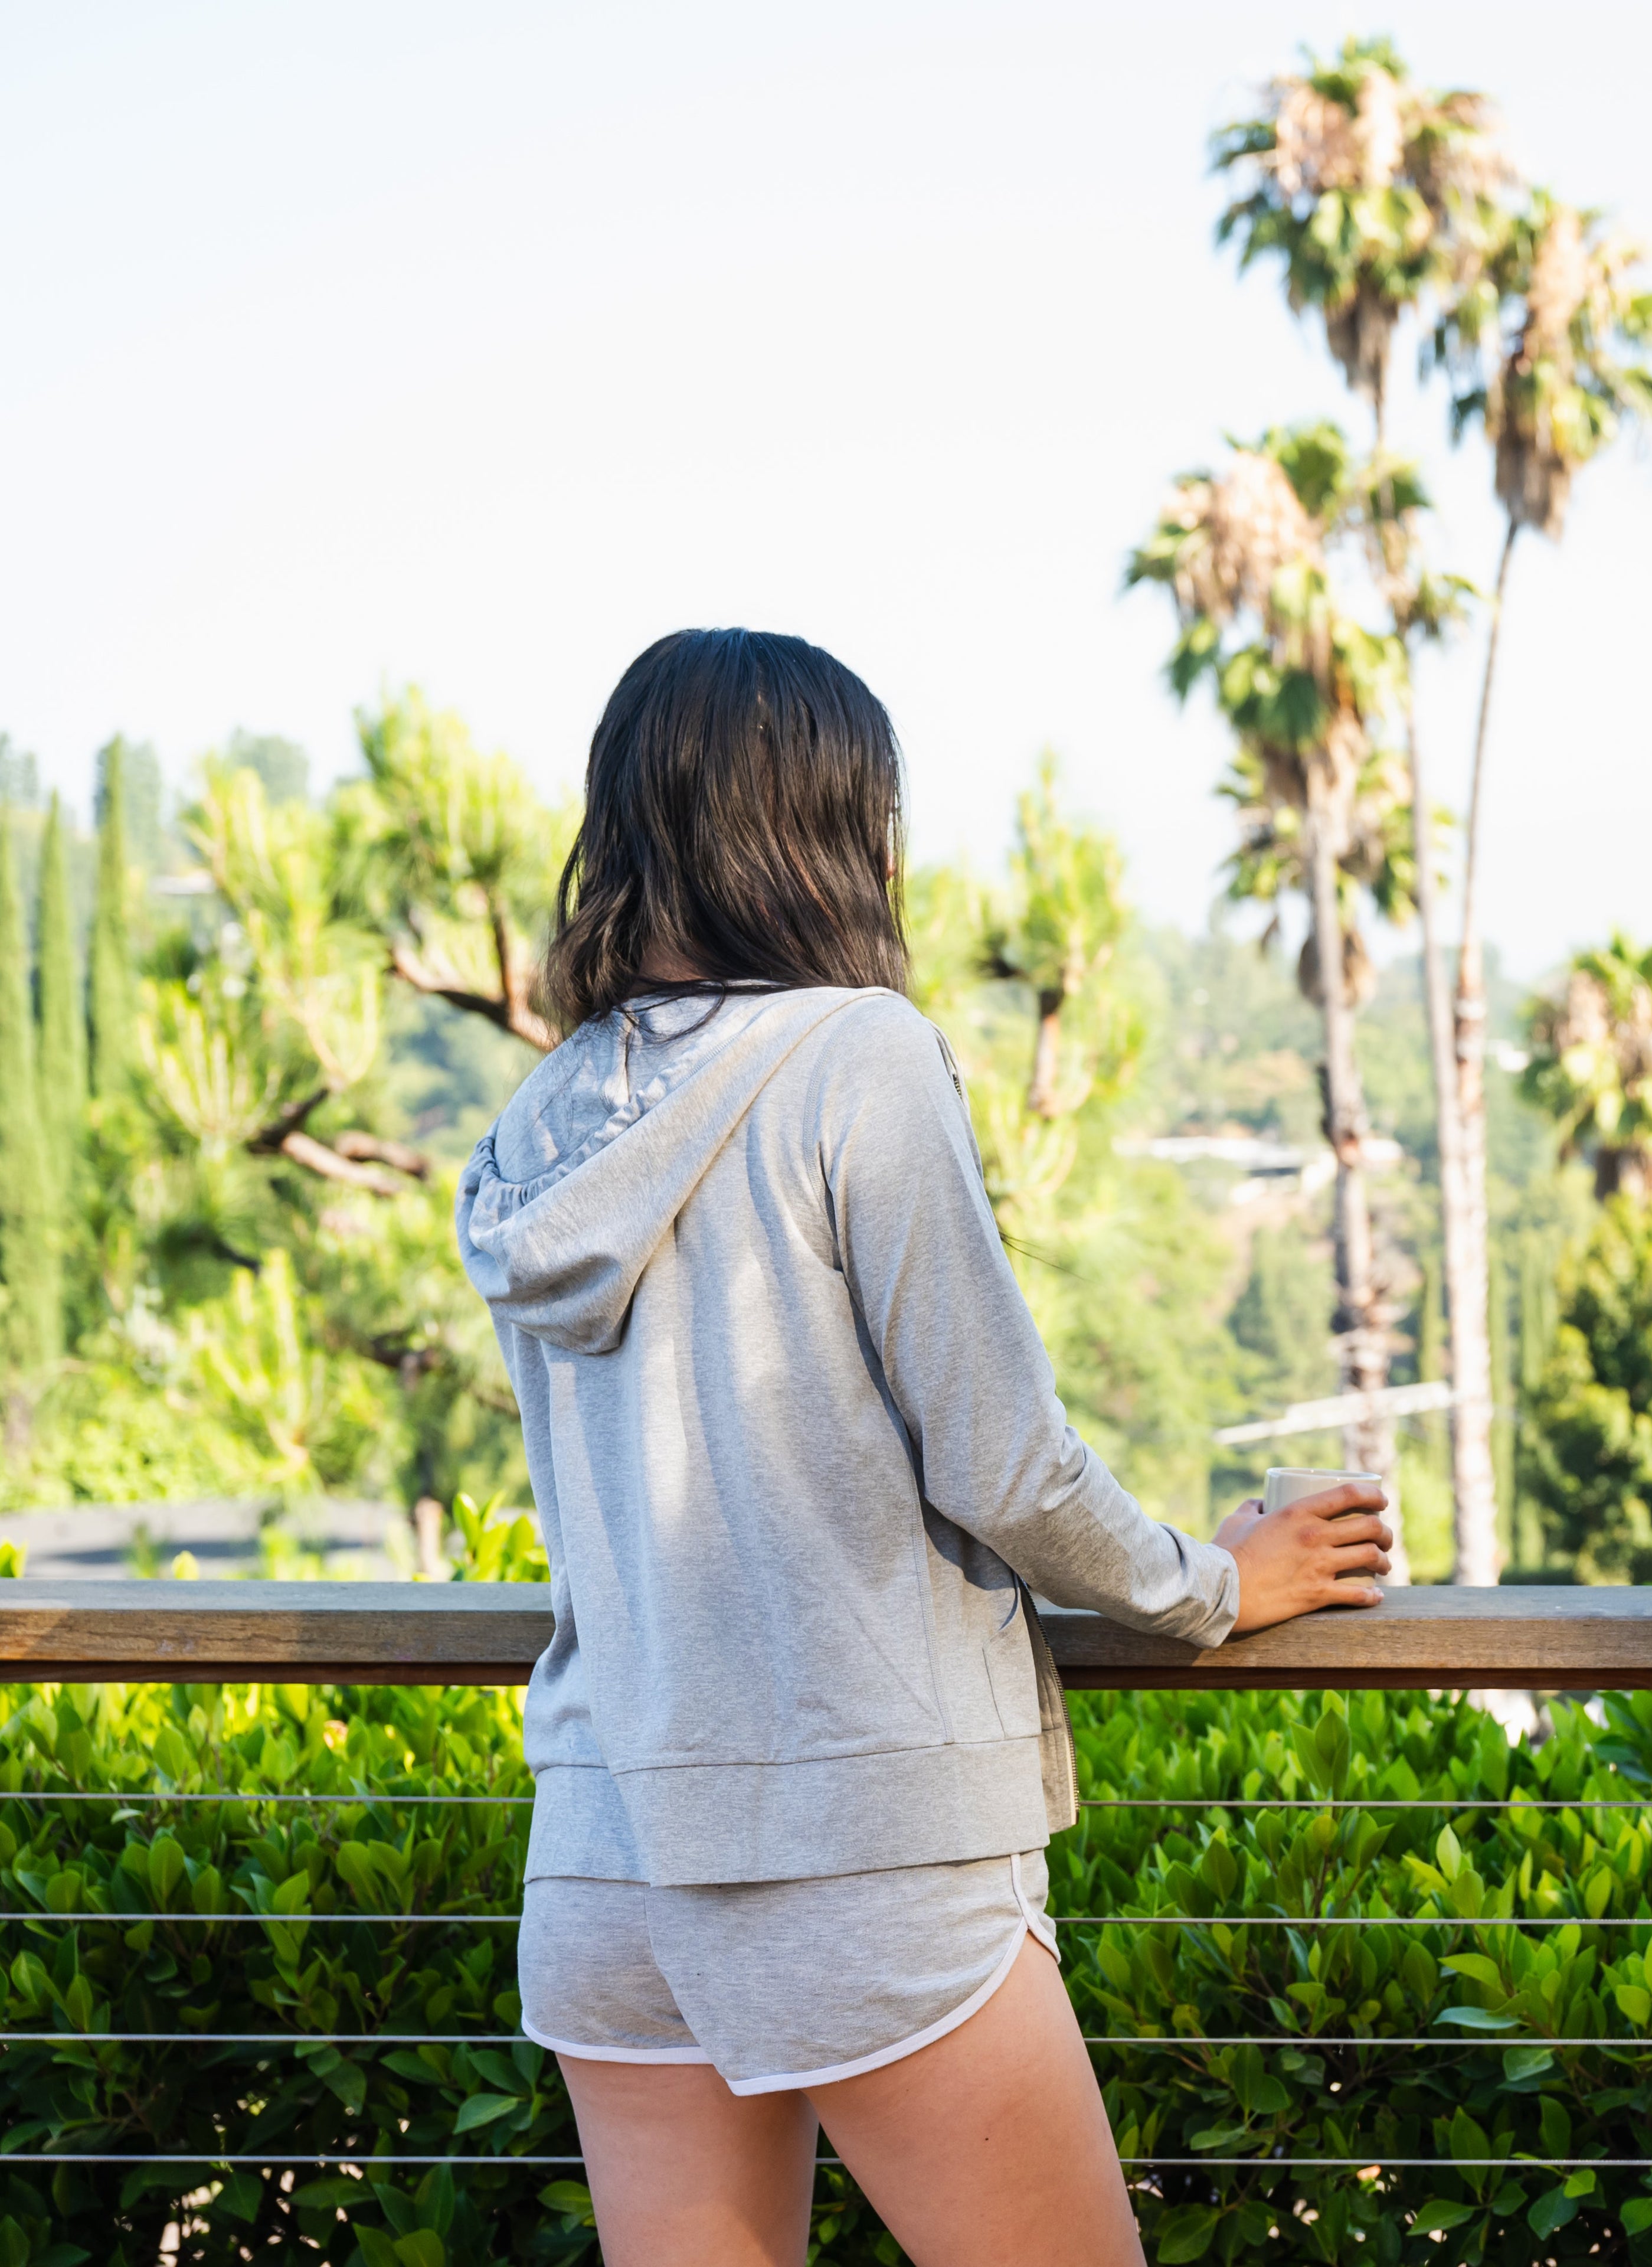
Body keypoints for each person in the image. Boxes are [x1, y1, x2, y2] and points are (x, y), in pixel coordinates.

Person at [457, 627, 1390, 2266]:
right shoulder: (858, 1057)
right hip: (856, 1842)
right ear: (827, 829)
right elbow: (1004, 1463)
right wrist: (1214, 1585)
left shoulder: (544, 1118)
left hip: (609, 1848)